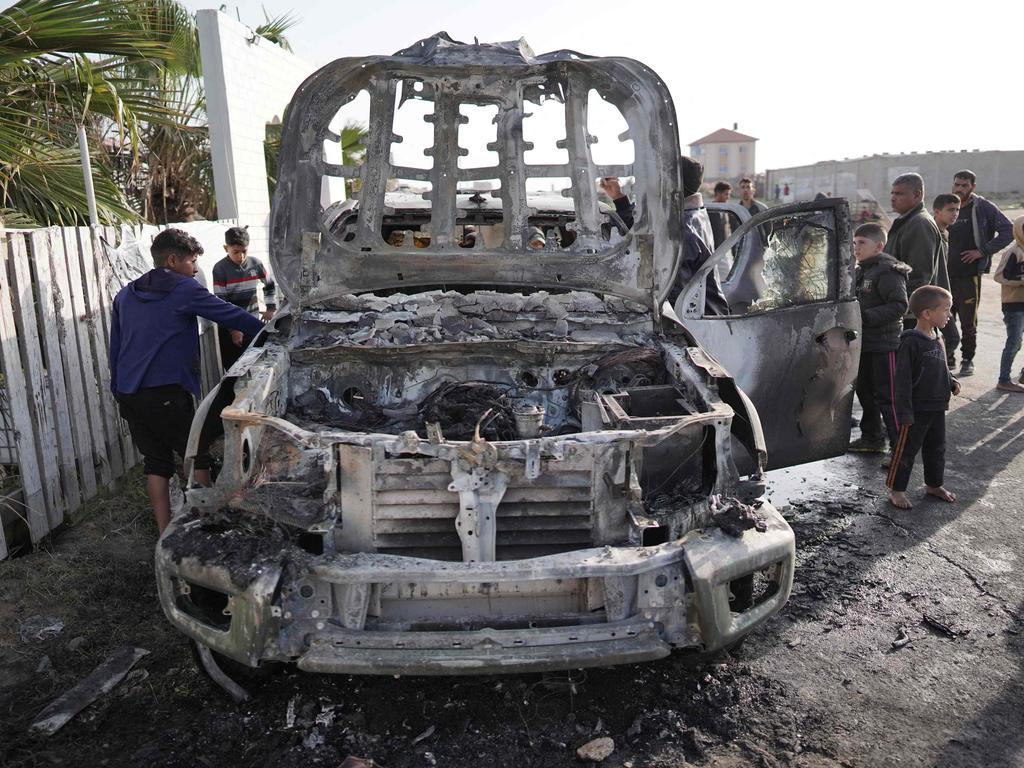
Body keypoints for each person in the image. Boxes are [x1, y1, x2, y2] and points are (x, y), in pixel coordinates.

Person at [110, 229, 265, 533]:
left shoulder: (125, 294)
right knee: (198, 454)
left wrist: (118, 388)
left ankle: (164, 532)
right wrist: (273, 330)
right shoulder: (184, 289)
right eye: (192, 262)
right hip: (164, 391)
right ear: (172, 260)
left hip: (128, 392)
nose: (195, 269)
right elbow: (231, 315)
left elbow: (115, 347)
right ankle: (210, 526)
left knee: (156, 463)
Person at [599, 159, 729, 315]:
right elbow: (643, 229)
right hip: (706, 318)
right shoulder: (688, 215)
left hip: (700, 329)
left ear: (672, 185)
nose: (653, 184)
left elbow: (669, 302)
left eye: (659, 178)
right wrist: (619, 198)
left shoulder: (680, 233)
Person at [886, 285, 960, 509]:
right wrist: (904, 411)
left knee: (937, 448)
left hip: (937, 406)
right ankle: (896, 489)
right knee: (906, 451)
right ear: (927, 314)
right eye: (946, 310)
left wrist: (951, 381)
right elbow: (902, 381)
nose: (949, 314)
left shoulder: (938, 338)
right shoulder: (911, 342)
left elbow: (942, 366)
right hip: (916, 409)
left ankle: (934, 484)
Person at [945, 170, 1014, 378]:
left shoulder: (982, 207)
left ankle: (967, 359)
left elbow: (1008, 230)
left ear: (972, 187)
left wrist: (982, 251)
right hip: (946, 274)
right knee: (945, 317)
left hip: (969, 275)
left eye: (964, 186)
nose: (959, 189)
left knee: (968, 321)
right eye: (956, 184)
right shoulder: (947, 205)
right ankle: (947, 357)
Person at [848, 222, 910, 454]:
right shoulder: (861, 269)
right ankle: (871, 437)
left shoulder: (888, 270)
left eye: (862, 243)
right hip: (864, 344)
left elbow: (899, 305)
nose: (856, 248)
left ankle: (899, 447)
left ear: (878, 246)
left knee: (888, 398)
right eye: (854, 243)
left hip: (885, 344)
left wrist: (864, 317)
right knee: (865, 393)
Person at [886, 173, 947, 330]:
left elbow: (919, 276)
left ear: (917, 195)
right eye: (892, 193)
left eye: (899, 193)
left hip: (914, 316)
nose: (893, 198)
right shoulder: (907, 222)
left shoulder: (919, 224)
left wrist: (902, 310)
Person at [212, 226, 277, 371]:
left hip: (250, 323)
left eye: (244, 251)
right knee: (235, 370)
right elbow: (221, 302)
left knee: (254, 367)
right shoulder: (220, 269)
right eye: (236, 252)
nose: (241, 256)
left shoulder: (255, 264)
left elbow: (270, 285)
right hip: (230, 329)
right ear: (226, 248)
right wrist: (233, 329)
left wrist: (270, 308)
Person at [992, 215, 1024, 393]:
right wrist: (1020, 282)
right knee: (1014, 342)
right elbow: (999, 276)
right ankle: (1004, 379)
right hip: (1014, 305)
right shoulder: (1013, 253)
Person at [932, 193, 962, 368]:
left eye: (957, 210)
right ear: (937, 211)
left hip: (941, 294)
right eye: (950, 210)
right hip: (932, 297)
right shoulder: (931, 231)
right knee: (952, 337)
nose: (955, 213)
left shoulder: (945, 233)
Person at [709, 181, 732, 248]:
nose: (728, 197)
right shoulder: (709, 211)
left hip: (723, 251)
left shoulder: (725, 210)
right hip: (712, 252)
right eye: (726, 194)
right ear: (718, 194)